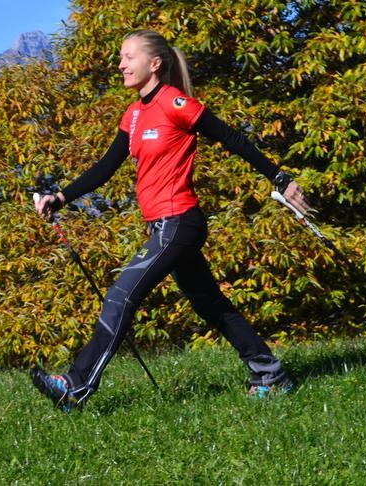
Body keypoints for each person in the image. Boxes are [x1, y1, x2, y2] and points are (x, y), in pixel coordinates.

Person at [31, 29, 312, 412]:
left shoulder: (176, 104)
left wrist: (279, 178)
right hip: (163, 226)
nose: (121, 64)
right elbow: (105, 167)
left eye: (129, 57)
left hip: (179, 221)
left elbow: (232, 138)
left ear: (155, 64)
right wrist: (60, 197)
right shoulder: (133, 114)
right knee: (211, 304)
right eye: (121, 56)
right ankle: (270, 374)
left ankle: (76, 385)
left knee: (121, 295)